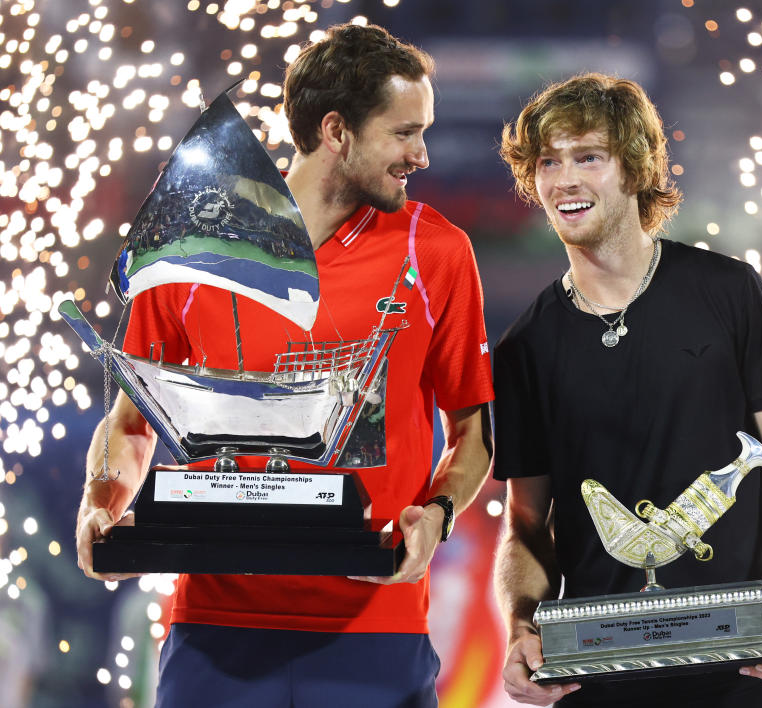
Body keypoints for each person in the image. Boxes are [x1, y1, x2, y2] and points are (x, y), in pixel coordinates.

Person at [75, 24, 494, 708]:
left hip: (375, 626)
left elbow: (473, 432)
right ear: (337, 131)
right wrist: (103, 499)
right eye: (404, 132)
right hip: (215, 627)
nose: (422, 154)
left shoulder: (438, 250)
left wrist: (438, 516)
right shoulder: (192, 245)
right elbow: (131, 423)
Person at [492, 73, 762, 707]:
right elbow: (527, 524)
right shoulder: (525, 347)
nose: (564, 180)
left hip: (741, 674)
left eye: (588, 156)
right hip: (596, 682)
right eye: (547, 162)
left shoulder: (730, 293)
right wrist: (520, 628)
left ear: (636, 166)